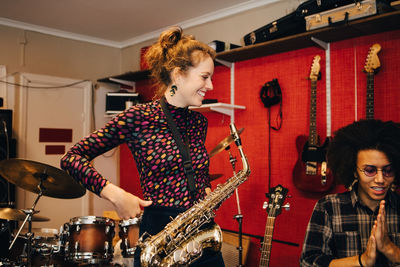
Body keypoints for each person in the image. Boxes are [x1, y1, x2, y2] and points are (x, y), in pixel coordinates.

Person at [60, 26, 225, 266]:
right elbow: (72, 158)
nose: (210, 85)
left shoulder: (198, 122)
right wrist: (115, 195)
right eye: (204, 76)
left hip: (202, 233)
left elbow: (194, 171)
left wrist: (205, 190)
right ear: (178, 75)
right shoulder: (138, 117)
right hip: (159, 235)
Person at [300, 119, 400, 267]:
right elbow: (308, 263)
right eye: (370, 170)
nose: (380, 179)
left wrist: (388, 248)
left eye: (388, 170)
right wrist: (362, 261)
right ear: (354, 171)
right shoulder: (329, 207)